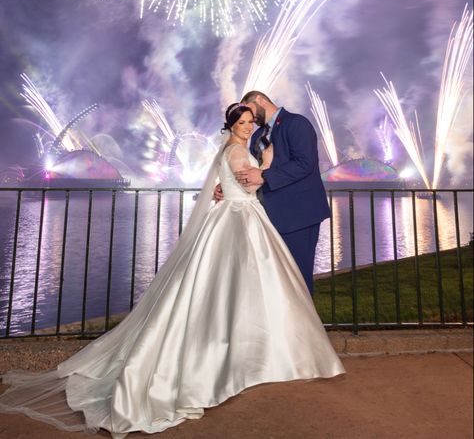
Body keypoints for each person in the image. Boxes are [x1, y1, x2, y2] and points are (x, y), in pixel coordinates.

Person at [0, 103, 344, 437]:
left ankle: (245, 350)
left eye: (250, 122)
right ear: (231, 126)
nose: (249, 127)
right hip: (241, 220)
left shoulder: (235, 148)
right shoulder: (240, 151)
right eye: (242, 123)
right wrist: (265, 166)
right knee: (246, 283)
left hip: (237, 218)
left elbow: (233, 182)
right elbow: (251, 183)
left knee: (233, 285)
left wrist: (233, 183)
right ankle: (246, 354)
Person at [234, 91, 330, 295]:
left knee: (297, 277)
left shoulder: (296, 123)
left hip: (299, 216)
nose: (248, 118)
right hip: (270, 217)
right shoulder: (258, 136)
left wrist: (265, 176)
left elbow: (305, 164)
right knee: (276, 280)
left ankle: (305, 326)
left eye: (248, 109)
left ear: (259, 100)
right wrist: (225, 187)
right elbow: (253, 171)